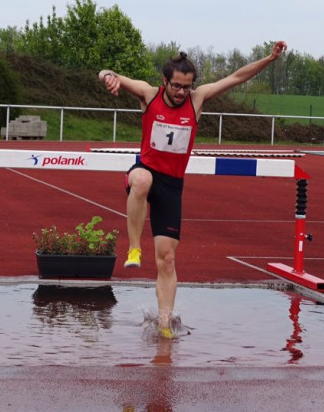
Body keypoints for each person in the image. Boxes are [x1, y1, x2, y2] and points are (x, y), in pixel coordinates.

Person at [98, 41, 287, 339]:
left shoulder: (197, 101)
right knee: (142, 181)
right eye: (176, 86)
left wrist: (269, 58)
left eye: (187, 86)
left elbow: (237, 77)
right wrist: (107, 76)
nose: (181, 92)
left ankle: (164, 324)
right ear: (165, 81)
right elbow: (112, 75)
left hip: (173, 186)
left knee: (168, 259)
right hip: (146, 173)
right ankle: (134, 247)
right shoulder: (149, 95)